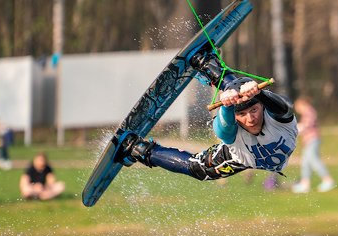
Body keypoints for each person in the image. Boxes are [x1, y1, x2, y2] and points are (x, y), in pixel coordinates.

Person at [118, 52, 298, 182]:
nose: (250, 119)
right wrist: (227, 107)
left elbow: (285, 107)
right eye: (242, 114)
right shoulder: (234, 128)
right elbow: (223, 132)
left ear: (262, 107)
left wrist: (259, 94)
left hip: (244, 158)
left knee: (198, 170)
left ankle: (139, 150)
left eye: (254, 111)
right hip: (240, 152)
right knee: (198, 167)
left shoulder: (278, 120)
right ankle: (207, 64)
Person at [291, 97, 335, 193]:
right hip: (308, 141)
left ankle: (328, 180)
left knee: (314, 160)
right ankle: (305, 184)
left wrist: (295, 129)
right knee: (305, 163)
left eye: (298, 107)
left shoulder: (309, 112)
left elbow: (306, 125)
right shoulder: (307, 113)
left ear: (302, 105)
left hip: (313, 140)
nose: (297, 109)